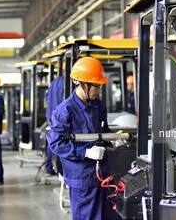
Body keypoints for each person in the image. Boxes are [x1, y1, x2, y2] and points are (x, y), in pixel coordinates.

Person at [47, 57, 123, 220]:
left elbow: (103, 131)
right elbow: (55, 143)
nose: (99, 90)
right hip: (82, 178)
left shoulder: (98, 105)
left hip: (103, 174)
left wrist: (113, 138)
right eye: (96, 85)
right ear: (82, 84)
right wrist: (86, 153)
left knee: (109, 216)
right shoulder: (65, 110)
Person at [44, 61, 65, 176]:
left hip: (53, 116)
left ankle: (49, 168)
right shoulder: (70, 82)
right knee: (64, 143)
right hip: (63, 117)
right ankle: (60, 171)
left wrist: (52, 109)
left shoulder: (54, 82)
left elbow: (47, 97)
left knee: (53, 141)